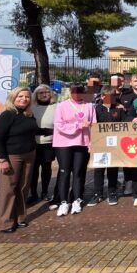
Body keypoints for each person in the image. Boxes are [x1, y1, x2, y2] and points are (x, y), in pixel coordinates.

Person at [0, 87, 38, 233]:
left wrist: (59, 129)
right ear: (13, 98)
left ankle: (20, 217)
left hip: (29, 154)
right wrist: (1, 159)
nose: (24, 99)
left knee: (23, 187)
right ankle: (5, 222)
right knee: (8, 189)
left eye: (27, 97)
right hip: (12, 156)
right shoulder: (7, 115)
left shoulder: (28, 114)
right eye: (20, 96)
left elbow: (36, 131)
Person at [52, 84, 96, 217]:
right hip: (64, 143)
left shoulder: (89, 106)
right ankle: (63, 201)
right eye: (74, 92)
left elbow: (94, 124)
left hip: (82, 142)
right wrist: (78, 126)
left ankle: (77, 199)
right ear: (70, 92)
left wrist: (92, 141)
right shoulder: (61, 106)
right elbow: (59, 124)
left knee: (79, 172)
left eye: (80, 91)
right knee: (64, 172)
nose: (77, 94)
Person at [89, 85, 132, 206]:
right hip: (100, 145)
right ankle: (97, 194)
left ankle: (112, 193)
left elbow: (126, 121)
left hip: (115, 146)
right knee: (99, 170)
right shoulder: (96, 109)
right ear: (102, 96)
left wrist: (132, 119)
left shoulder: (118, 109)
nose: (111, 99)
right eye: (108, 96)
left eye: (113, 96)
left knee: (113, 169)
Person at [29, 84, 56, 205]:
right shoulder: (31, 107)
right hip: (33, 143)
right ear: (36, 95)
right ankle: (33, 193)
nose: (44, 95)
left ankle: (44, 192)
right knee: (33, 170)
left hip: (49, 143)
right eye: (41, 93)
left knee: (46, 168)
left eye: (47, 92)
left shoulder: (56, 107)